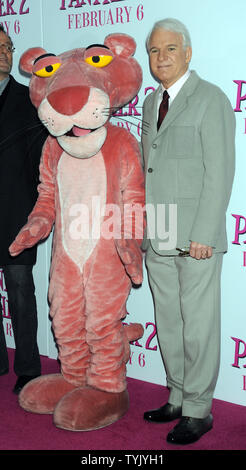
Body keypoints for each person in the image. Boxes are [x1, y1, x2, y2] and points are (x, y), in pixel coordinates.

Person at [141, 18, 235, 445]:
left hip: (195, 239)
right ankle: (177, 395)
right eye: (154, 51)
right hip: (158, 235)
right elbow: (152, 170)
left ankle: (199, 409)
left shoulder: (210, 99)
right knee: (171, 323)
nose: (161, 58)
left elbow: (220, 172)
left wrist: (205, 233)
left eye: (170, 49)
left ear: (188, 52)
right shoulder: (149, 103)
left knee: (198, 326)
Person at [0, 25, 47, 394]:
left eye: (7, 46)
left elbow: (41, 162)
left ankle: (28, 368)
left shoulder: (28, 99)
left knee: (20, 290)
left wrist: (35, 210)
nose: (4, 52)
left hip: (17, 213)